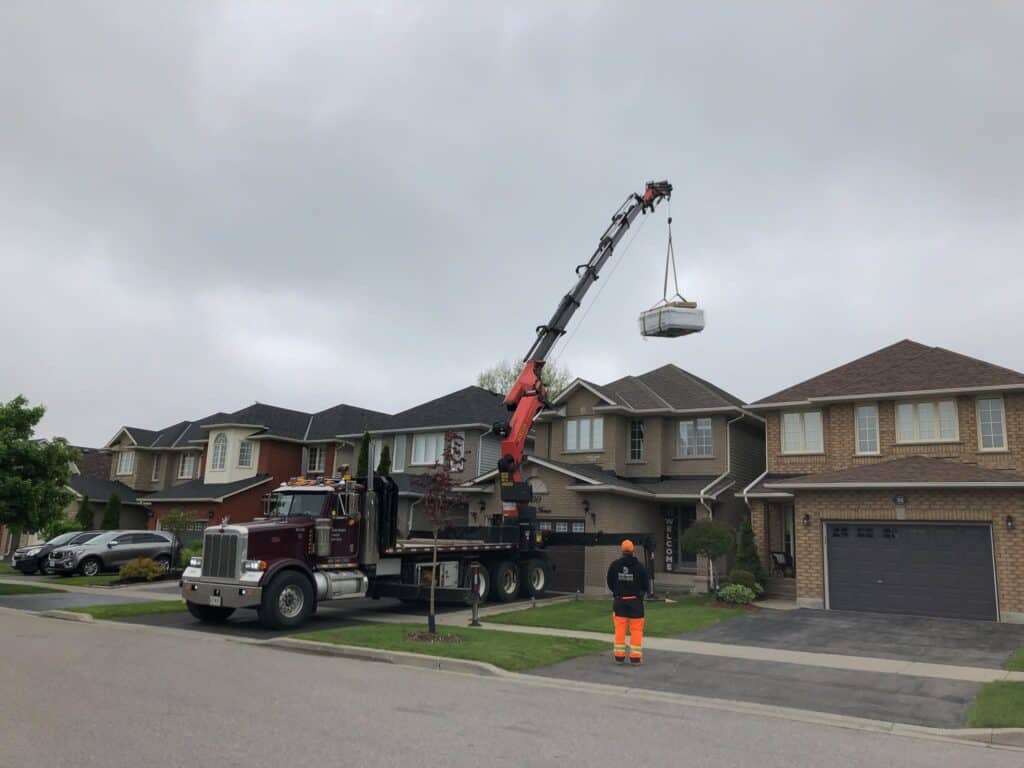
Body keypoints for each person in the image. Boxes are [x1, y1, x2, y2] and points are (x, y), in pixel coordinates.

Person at [606, 539, 649, 665]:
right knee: (636, 630)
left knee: (620, 629)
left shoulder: (615, 565)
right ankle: (635, 658)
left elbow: (610, 582)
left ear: (622, 550)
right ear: (632, 551)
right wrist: (640, 594)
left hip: (619, 602)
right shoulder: (640, 567)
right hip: (635, 602)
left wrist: (617, 592)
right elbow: (645, 585)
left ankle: (619, 656)